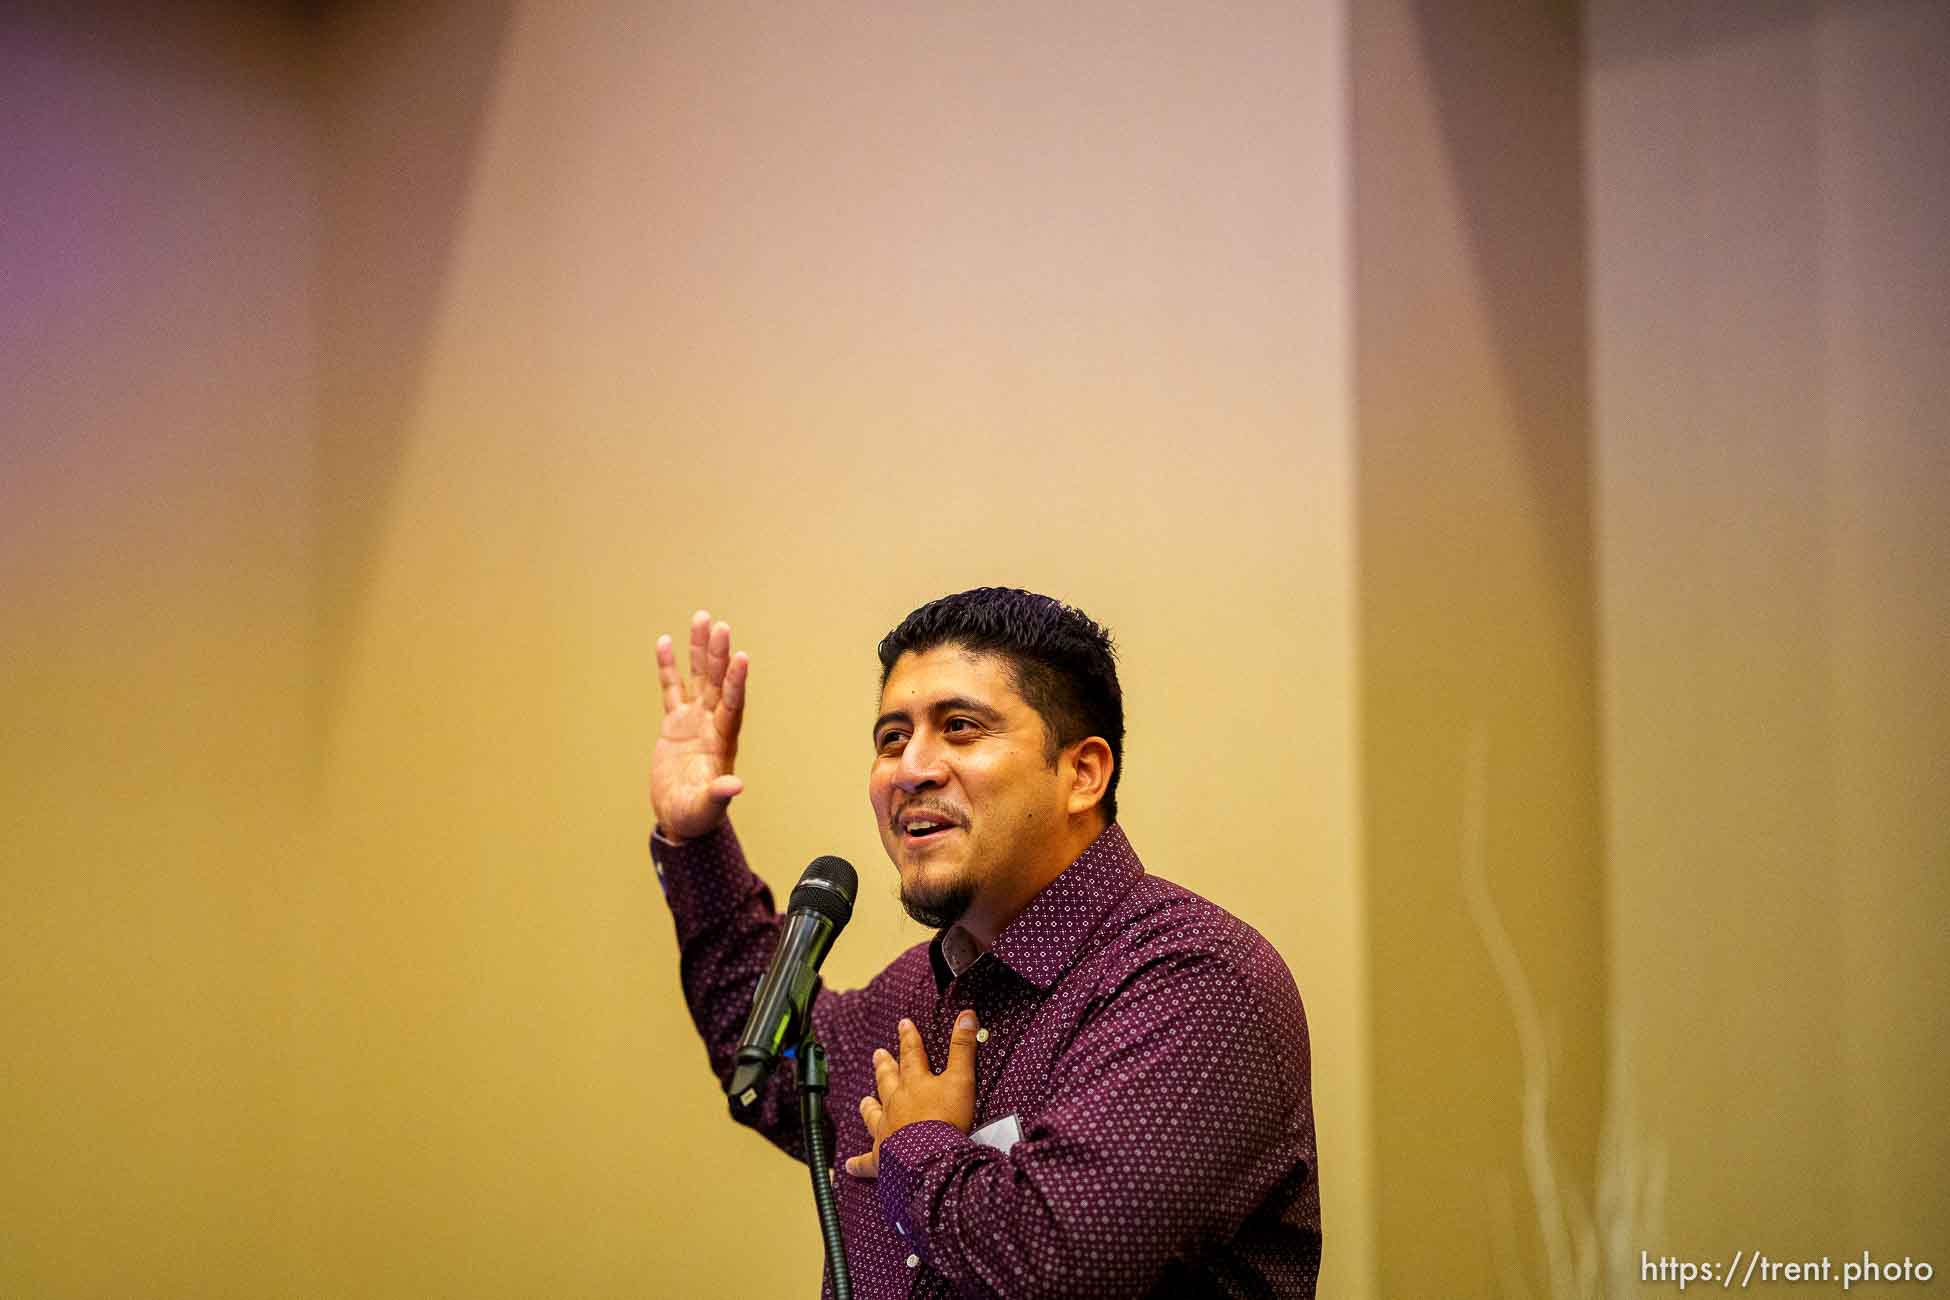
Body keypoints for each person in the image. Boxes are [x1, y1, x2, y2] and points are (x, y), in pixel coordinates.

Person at [649, 588, 1321, 1298]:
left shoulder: (1194, 981)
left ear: (1082, 773)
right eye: (891, 737)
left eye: (961, 727)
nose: (911, 768)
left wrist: (917, 1146)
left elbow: (1061, 1261)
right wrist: (693, 841)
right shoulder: (912, 996)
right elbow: (773, 1054)